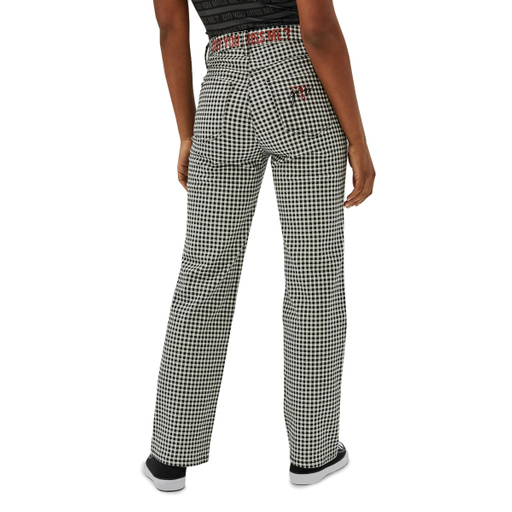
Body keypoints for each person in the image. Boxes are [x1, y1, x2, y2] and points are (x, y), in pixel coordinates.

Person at [143, 0, 376, 491]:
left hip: (222, 90)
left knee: (204, 277)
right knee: (314, 279)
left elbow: (170, 28)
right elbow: (318, 29)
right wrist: (357, 138)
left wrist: (187, 132)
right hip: (299, 85)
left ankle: (169, 455)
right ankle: (313, 453)